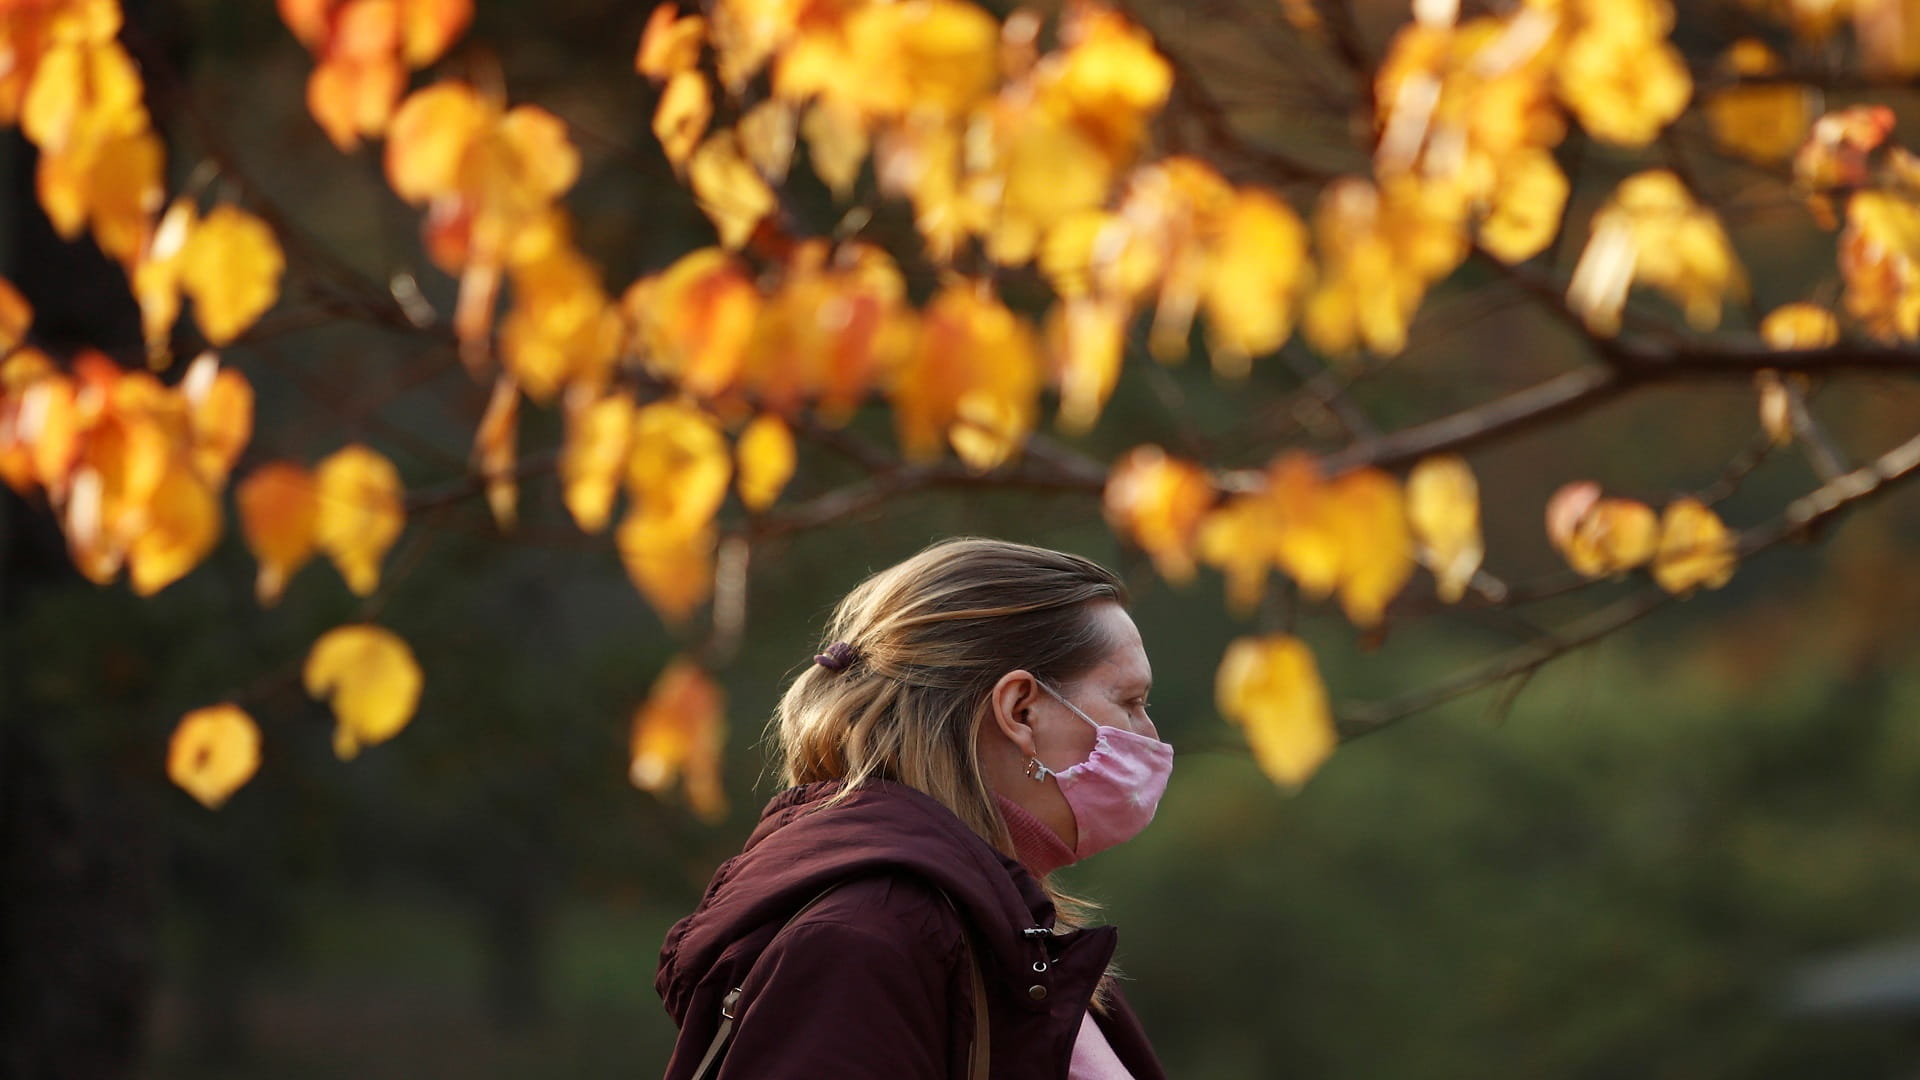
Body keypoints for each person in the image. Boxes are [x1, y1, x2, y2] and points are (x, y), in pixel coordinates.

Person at [655, 537, 1174, 1080]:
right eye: (1130, 702)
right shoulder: (862, 939)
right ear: (1020, 710)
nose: (1151, 735)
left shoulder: (996, 935)